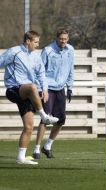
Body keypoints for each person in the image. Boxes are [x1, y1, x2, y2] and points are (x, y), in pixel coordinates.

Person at [0, 30, 59, 165]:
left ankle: (21, 157)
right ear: (27, 41)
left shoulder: (36, 57)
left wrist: (44, 89)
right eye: (36, 42)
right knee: (32, 87)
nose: (38, 45)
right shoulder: (13, 52)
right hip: (14, 89)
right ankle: (44, 115)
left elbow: (41, 74)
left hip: (27, 95)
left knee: (29, 127)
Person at [32, 28, 74, 159]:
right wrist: (40, 89)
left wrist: (70, 87)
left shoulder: (70, 50)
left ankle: (47, 146)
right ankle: (37, 149)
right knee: (45, 119)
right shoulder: (48, 50)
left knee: (61, 120)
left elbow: (71, 68)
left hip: (61, 89)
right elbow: (39, 70)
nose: (63, 41)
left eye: (66, 39)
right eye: (61, 39)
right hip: (48, 88)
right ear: (57, 38)